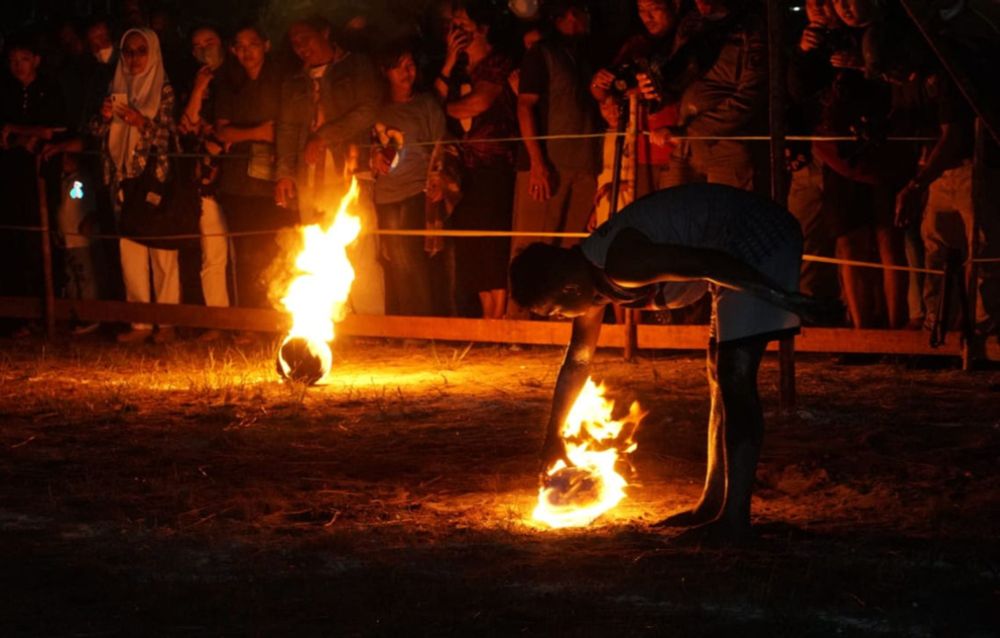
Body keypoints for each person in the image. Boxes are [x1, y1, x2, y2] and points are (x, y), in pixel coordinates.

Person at [510, 184, 836, 541]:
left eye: (555, 312)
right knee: (720, 375)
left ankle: (735, 520)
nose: (560, 318)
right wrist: (552, 438)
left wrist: (784, 297)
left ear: (570, 289)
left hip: (755, 239)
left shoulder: (621, 264)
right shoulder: (592, 276)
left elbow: (711, 263)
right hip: (724, 251)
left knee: (735, 375)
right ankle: (713, 505)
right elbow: (577, 362)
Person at [275, 15, 384, 316]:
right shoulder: (294, 81)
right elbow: (285, 128)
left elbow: (368, 109)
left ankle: (372, 323)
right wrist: (284, 173)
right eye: (295, 42)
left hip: (349, 171)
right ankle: (333, 323)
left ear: (324, 32)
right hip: (310, 179)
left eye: (305, 37)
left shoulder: (356, 65)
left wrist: (324, 135)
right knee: (316, 249)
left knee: (360, 250)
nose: (300, 47)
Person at [507, 0, 601, 319]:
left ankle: (560, 316)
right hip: (549, 165)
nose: (589, 17)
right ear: (571, 13)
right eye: (585, 11)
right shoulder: (542, 54)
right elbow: (525, 106)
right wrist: (537, 163)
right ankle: (518, 324)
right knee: (534, 246)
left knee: (570, 251)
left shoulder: (585, 56)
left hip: (583, 165)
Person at [89, 28, 179, 344]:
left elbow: (170, 136)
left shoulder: (164, 89)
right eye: (128, 52)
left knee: (161, 250)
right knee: (131, 251)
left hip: (154, 179)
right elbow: (98, 132)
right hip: (121, 177)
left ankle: (167, 322)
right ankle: (140, 323)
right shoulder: (116, 85)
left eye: (141, 51)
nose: (134, 58)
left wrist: (142, 123)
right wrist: (102, 117)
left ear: (152, 52)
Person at [434, 0, 518, 318]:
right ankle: (486, 315)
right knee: (470, 240)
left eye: (464, 25)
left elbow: (479, 102)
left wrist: (445, 109)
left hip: (494, 164)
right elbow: (435, 106)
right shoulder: (457, 71)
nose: (458, 32)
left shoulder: (497, 64)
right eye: (454, 26)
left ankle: (499, 315)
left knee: (491, 238)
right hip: (464, 170)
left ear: (483, 28)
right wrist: (448, 61)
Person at [215, 24, 292, 317]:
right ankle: (250, 319)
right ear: (233, 50)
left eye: (253, 44)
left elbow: (288, 128)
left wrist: (241, 133)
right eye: (240, 46)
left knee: (278, 250)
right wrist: (258, 132)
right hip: (239, 183)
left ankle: (281, 319)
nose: (247, 51)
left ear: (266, 45)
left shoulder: (283, 81)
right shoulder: (229, 83)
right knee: (246, 254)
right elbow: (222, 132)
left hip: (276, 177)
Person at [372, 39, 446, 317]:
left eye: (410, 64)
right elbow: (365, 146)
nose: (406, 71)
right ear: (386, 72)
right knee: (395, 258)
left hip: (416, 189)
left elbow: (441, 145)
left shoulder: (426, 104)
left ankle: (420, 322)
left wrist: (438, 179)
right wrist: (372, 158)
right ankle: (403, 320)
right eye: (398, 67)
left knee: (410, 256)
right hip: (385, 193)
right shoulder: (377, 109)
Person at [0, 35, 67, 337]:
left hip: (41, 177)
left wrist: (18, 130)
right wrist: (19, 136)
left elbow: (51, 130)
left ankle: (49, 312)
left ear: (36, 60)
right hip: (10, 179)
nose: (18, 65)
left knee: (41, 239)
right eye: (13, 60)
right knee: (13, 243)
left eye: (23, 59)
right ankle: (17, 316)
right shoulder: (5, 92)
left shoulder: (49, 90)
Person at [178, 24, 232, 340]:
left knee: (246, 247)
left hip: (239, 175)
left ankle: (249, 322)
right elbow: (186, 126)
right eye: (196, 45)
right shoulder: (194, 83)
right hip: (205, 178)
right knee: (212, 249)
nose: (203, 49)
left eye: (209, 42)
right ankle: (218, 319)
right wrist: (198, 88)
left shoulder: (236, 79)